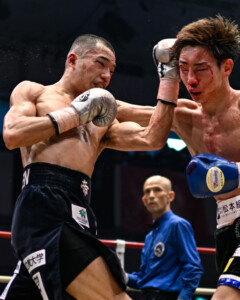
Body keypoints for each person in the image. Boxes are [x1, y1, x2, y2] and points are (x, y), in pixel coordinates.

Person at [116, 15, 240, 300]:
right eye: (183, 69)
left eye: (201, 69)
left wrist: (239, 173)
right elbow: (122, 111)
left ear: (226, 67)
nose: (191, 79)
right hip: (225, 228)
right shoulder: (184, 117)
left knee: (226, 296)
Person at [0, 33, 180, 300]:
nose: (107, 75)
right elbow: (13, 134)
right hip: (44, 208)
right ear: (73, 59)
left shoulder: (103, 114)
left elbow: (152, 136)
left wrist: (170, 78)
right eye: (101, 63)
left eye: (112, 70)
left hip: (80, 211)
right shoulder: (34, 92)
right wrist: (74, 115)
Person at [125, 175, 203, 300]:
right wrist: (121, 275)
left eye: (157, 190)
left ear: (170, 196)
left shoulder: (178, 225)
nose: (151, 195)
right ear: (143, 200)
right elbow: (143, 278)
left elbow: (193, 268)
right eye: (147, 192)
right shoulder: (150, 236)